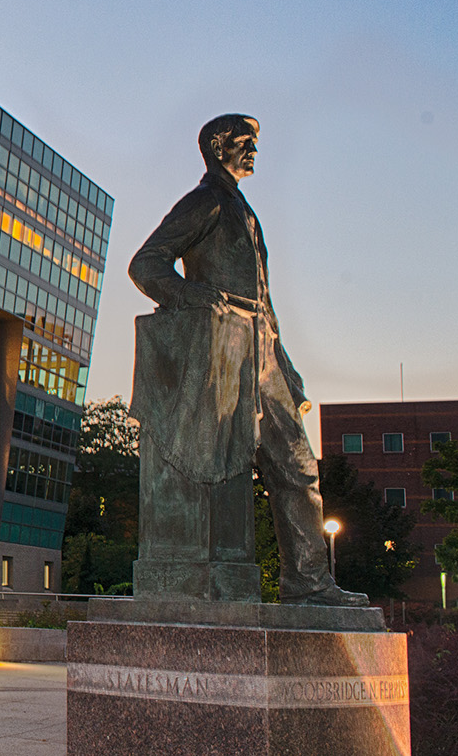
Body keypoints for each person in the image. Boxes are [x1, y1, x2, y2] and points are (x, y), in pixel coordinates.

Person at [128, 114, 368, 607]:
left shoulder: (241, 207)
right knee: (225, 465)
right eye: (244, 142)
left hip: (262, 349)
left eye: (254, 142)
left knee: (298, 465)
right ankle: (246, 580)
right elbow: (146, 263)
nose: (254, 149)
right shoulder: (206, 201)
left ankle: (308, 583)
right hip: (224, 345)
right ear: (219, 148)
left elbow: (263, 296)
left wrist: (284, 360)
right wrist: (191, 297)